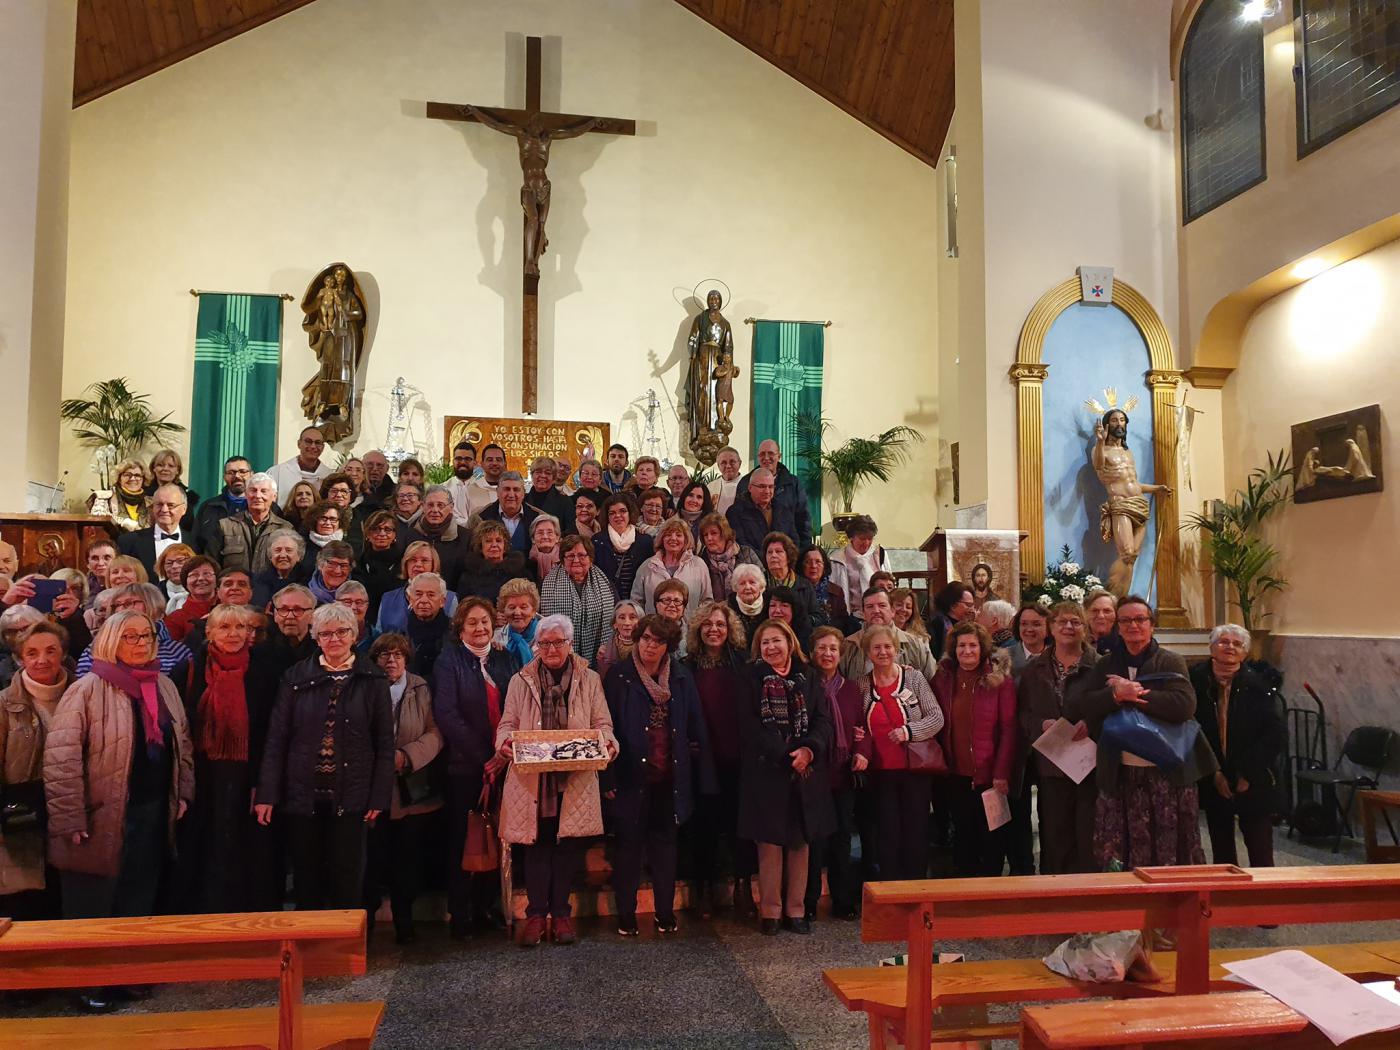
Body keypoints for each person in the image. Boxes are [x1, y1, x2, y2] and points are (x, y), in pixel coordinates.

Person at [44, 611, 194, 1011]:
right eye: (131, 636)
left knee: (137, 896)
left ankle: (128, 974)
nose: (142, 643)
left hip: (151, 809)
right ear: (111, 640)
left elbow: (182, 743)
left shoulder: (162, 684)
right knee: (92, 903)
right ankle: (87, 982)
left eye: (147, 636)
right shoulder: (87, 688)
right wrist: (69, 816)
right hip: (99, 814)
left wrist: (182, 791)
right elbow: (61, 759)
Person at [255, 602, 394, 910]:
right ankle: (310, 940)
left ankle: (347, 940)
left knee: (348, 879)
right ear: (316, 638)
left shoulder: (373, 679)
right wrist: (267, 794)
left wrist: (378, 797)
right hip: (303, 794)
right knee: (307, 879)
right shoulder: (295, 677)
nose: (334, 639)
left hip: (353, 793)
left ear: (354, 635)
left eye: (342, 632)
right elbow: (277, 739)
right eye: (326, 633)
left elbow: (385, 744)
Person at [1063, 595, 1214, 870]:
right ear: (1118, 627)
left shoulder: (1171, 661)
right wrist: (1115, 695)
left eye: (1140, 619)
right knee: (1121, 845)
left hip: (1166, 771)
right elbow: (1085, 703)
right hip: (1120, 771)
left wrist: (1135, 693)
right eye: (1126, 620)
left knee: (1168, 842)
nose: (1133, 625)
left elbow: (1184, 706)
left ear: (1151, 625)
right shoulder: (1106, 664)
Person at [494, 614, 617, 947]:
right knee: (537, 846)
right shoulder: (521, 680)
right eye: (544, 643)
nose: (550, 649)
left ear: (570, 644)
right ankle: (536, 915)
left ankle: (561, 914)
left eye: (557, 642)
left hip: (573, 778)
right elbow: (507, 724)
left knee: (567, 848)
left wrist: (607, 743)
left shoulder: (590, 679)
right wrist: (504, 744)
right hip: (534, 780)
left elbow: (603, 723)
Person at [603, 614, 713, 936]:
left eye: (658, 641)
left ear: (669, 646)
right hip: (629, 776)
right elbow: (604, 727)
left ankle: (664, 912)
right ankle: (626, 914)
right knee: (628, 849)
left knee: (665, 849)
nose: (650, 646)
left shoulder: (681, 676)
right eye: (646, 638)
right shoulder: (619, 676)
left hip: (669, 777)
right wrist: (607, 777)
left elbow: (695, 723)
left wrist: (699, 772)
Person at [171, 604, 279, 913]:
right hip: (203, 774)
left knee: (245, 848)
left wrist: (262, 782)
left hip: (247, 774)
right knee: (204, 844)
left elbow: (270, 731)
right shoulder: (189, 670)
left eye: (241, 627)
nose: (234, 634)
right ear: (209, 632)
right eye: (225, 627)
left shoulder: (264, 672)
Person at [433, 597, 521, 939]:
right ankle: (461, 912)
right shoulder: (449, 660)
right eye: (472, 622)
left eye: (484, 621)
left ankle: (488, 906)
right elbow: (447, 714)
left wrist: (502, 754)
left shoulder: (505, 658)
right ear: (460, 628)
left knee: (498, 837)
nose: (480, 628)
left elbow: (517, 705)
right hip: (466, 766)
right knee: (465, 838)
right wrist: (486, 755)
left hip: (505, 762)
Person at [739, 620, 832, 934]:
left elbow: (822, 721)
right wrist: (785, 755)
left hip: (805, 771)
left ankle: (796, 910)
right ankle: (771, 912)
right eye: (765, 642)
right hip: (767, 771)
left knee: (799, 843)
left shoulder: (809, 676)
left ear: (790, 643)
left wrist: (808, 750)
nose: (771, 647)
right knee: (769, 845)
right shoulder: (750, 678)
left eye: (776, 640)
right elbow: (749, 726)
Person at [364, 632, 442, 944]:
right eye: (385, 655)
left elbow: (435, 732)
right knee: (371, 861)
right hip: (373, 789)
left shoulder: (421, 687)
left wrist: (406, 757)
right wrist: (381, 759)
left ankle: (405, 922)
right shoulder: (364, 687)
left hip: (412, 787)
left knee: (407, 861)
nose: (391, 660)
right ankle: (366, 923)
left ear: (406, 659)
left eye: (398, 655)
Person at [857, 623, 944, 882]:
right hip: (880, 773)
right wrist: (856, 734)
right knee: (886, 832)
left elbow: (936, 718)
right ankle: (890, 887)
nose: (882, 652)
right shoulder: (862, 685)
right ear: (868, 653)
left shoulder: (914, 678)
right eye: (876, 648)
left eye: (888, 647)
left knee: (916, 831)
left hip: (914, 770)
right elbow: (857, 722)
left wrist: (908, 731)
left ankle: (916, 886)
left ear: (896, 650)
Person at [1192, 624, 1285, 867]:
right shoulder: (1195, 682)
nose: (1230, 647)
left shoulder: (1259, 686)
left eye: (1237, 644)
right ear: (1212, 647)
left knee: (1260, 849)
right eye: (1223, 642)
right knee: (1222, 850)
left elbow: (1275, 734)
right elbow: (1190, 730)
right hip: (1213, 774)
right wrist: (1213, 773)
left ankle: (1265, 890)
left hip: (1253, 777)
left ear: (1244, 652)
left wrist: (1247, 773)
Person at [684, 601, 755, 918]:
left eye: (721, 624)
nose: (714, 629)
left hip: (737, 757)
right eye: (708, 624)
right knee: (704, 827)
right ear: (699, 629)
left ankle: (743, 887)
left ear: (730, 630)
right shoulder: (687, 666)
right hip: (702, 759)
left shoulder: (743, 663)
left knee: (741, 827)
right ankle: (703, 891)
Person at [1018, 601, 1099, 874]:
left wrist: (1091, 722)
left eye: (1075, 622)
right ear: (1051, 628)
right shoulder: (1034, 669)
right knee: (1055, 834)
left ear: (1084, 628)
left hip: (1089, 764)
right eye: (1062, 621)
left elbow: (1111, 708)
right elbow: (1022, 714)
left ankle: (1089, 889)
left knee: (1088, 833)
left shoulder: (1099, 666)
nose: (1068, 627)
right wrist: (1041, 724)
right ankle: (1056, 886)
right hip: (1051, 763)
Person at [931, 621, 1017, 877]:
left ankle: (991, 890)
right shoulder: (943, 678)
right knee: (963, 836)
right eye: (961, 646)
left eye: (973, 645)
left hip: (989, 776)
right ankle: (965, 889)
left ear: (982, 648)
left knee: (992, 838)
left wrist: (1001, 773)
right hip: (955, 773)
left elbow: (1009, 729)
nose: (967, 651)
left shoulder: (999, 681)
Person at [0, 622, 72, 921]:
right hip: (22, 817)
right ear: (20, 659)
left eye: (51, 651)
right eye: (32, 653)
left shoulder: (82, 695)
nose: (42, 660)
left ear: (63, 654)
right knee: (27, 906)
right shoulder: (5, 703)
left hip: (70, 814)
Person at [806, 625, 867, 919]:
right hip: (813, 775)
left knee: (842, 839)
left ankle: (842, 901)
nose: (827, 653)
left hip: (843, 775)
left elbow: (861, 728)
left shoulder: (851, 689)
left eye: (833, 648)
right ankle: (809, 901)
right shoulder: (805, 685)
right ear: (811, 653)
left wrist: (862, 752)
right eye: (822, 648)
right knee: (814, 842)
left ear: (840, 654)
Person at [76, 583, 194, 676]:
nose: (120, 609)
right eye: (116, 605)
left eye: (129, 603)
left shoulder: (176, 651)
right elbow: (85, 687)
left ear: (153, 606)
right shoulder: (97, 648)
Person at [539, 535, 616, 664]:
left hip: (598, 655)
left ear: (590, 558)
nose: (576, 560)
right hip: (559, 655)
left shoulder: (605, 584)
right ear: (563, 560)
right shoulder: (547, 584)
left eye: (581, 555)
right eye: (570, 556)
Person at [840, 588, 938, 684]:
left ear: (892, 611)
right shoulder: (848, 645)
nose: (876, 610)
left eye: (882, 605)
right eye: (870, 606)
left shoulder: (915, 644)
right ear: (863, 613)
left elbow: (933, 681)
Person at [209, 473, 293, 575]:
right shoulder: (225, 526)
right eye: (253, 490)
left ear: (274, 496)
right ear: (246, 494)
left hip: (271, 585)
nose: (258, 496)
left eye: (264, 491)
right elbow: (212, 565)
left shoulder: (286, 529)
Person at [631, 518, 712, 620]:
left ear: (686, 539)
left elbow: (707, 601)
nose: (673, 538)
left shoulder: (699, 565)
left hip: (689, 628)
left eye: (678, 535)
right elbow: (636, 603)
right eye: (668, 535)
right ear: (662, 539)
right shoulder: (647, 566)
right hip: (654, 628)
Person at [735, 441, 812, 548]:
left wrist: (803, 551)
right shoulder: (745, 482)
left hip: (785, 551)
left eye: (771, 453)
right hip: (753, 551)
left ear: (779, 456)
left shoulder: (793, 483)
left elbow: (803, 520)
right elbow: (738, 515)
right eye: (762, 454)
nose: (766, 458)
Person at [377, 541, 459, 635]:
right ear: (406, 564)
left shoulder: (450, 599)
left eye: (424, 560)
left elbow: (455, 636)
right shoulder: (388, 598)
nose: (418, 564)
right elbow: (378, 637)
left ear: (433, 565)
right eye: (413, 560)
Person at [118, 483, 190, 581]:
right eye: (159, 504)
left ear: (184, 509)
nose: (164, 510)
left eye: (170, 505)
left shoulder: (196, 543)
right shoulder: (129, 542)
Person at [594, 494, 656, 605]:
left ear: (630, 513)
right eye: (612, 513)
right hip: (607, 602)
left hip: (638, 603)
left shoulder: (645, 541)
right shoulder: (597, 541)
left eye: (622, 511)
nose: (618, 516)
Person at [410, 486, 473, 592]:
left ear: (451, 507)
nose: (435, 510)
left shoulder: (466, 537)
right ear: (423, 506)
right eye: (430, 505)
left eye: (440, 505)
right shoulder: (411, 534)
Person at [727, 467, 803, 552]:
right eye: (762, 486)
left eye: (770, 487)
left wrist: (783, 557)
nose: (767, 491)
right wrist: (767, 558)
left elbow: (794, 541)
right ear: (750, 487)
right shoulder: (735, 512)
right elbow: (741, 544)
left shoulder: (783, 509)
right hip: (751, 560)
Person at [827, 516, 889, 618]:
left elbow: (889, 584)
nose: (866, 543)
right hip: (852, 617)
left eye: (870, 538)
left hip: (878, 614)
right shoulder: (837, 559)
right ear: (851, 537)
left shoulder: (879, 555)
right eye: (862, 538)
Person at [457, 521, 531, 603]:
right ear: (480, 546)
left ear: (505, 546)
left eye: (498, 541)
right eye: (488, 541)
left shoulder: (521, 573)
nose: (494, 545)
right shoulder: (468, 577)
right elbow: (465, 606)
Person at [193, 456, 252, 554]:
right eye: (231, 472)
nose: (237, 476)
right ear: (224, 477)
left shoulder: (266, 507)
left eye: (242, 472)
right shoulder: (208, 507)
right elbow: (196, 543)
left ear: (251, 474)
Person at [696, 513, 760, 602]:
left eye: (714, 533)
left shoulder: (746, 553)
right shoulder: (702, 561)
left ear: (724, 533)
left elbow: (762, 583)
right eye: (705, 535)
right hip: (715, 609)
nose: (709, 538)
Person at [354, 510, 404, 619]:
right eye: (375, 529)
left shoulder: (403, 563)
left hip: (394, 619)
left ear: (394, 535)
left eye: (387, 529)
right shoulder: (358, 563)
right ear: (367, 534)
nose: (382, 533)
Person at [266, 426, 333, 503]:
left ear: (323, 447)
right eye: (308, 441)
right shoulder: (277, 473)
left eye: (318, 442)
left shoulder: (329, 476)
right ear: (299, 444)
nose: (313, 446)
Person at [761, 532, 817, 623]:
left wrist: (798, 621)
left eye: (778, 551)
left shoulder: (805, 585)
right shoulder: (759, 583)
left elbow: (817, 616)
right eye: (769, 552)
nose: (773, 555)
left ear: (789, 557)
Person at [478, 472, 538, 554]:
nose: (511, 495)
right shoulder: (481, 518)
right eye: (506, 489)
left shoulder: (537, 518)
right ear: (497, 492)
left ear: (523, 493)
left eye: (516, 490)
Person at [164, 557, 218, 642]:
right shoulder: (175, 619)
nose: (201, 578)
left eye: (207, 574)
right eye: (194, 575)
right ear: (185, 582)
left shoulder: (231, 609)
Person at [252, 528, 308, 608]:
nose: (282, 555)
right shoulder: (258, 582)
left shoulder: (308, 582)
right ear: (270, 555)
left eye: (289, 550)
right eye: (277, 550)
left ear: (299, 555)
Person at [146, 449, 198, 535]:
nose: (165, 469)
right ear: (153, 469)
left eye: (171, 466)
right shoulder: (143, 495)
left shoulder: (186, 498)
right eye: (160, 465)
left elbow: (188, 527)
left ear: (177, 470)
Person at [802, 545, 852, 633]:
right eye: (808, 562)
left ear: (824, 566)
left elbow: (843, 621)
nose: (813, 566)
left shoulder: (836, 590)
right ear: (802, 566)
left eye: (818, 562)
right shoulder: (796, 589)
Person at [495, 578, 541, 667]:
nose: (517, 613)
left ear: (533, 611)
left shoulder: (549, 634)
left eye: (523, 607)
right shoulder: (495, 639)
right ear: (503, 610)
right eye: (512, 607)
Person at [926, 579, 974, 661]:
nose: (972, 609)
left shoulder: (969, 626)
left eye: (972, 605)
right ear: (953, 605)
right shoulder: (937, 626)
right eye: (968, 605)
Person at [525, 457, 575, 535]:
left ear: (554, 478)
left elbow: (571, 532)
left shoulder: (565, 502)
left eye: (548, 473)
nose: (543, 476)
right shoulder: (523, 499)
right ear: (532, 475)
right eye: (538, 472)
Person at [594, 600, 642, 678]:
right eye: (622, 618)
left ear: (641, 622)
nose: (627, 623)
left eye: (632, 617)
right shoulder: (605, 652)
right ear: (615, 624)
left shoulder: (647, 648)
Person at [105, 459, 153, 532]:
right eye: (127, 475)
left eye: (137, 475)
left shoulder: (151, 503)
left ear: (143, 479)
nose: (133, 478)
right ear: (119, 478)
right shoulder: (105, 499)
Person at [319, 472, 363, 552]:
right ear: (326, 494)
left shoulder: (360, 518)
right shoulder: (315, 516)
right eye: (334, 491)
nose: (339, 495)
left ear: (351, 495)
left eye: (344, 491)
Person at [299, 501, 346, 574]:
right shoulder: (302, 544)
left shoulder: (346, 546)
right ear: (314, 521)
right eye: (323, 518)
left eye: (333, 519)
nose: (328, 523)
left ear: (339, 522)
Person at [727, 563, 769, 640]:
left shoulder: (770, 605)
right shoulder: (728, 608)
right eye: (742, 583)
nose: (747, 587)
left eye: (752, 582)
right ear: (736, 587)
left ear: (761, 585)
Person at [307, 541, 355, 606]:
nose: (337, 571)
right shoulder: (305, 593)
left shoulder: (357, 594)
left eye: (343, 565)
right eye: (332, 564)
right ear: (320, 564)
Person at [1007, 602, 1049, 677]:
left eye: (1036, 624)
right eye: (1024, 624)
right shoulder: (1004, 657)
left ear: (1049, 628)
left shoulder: (1058, 657)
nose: (1029, 629)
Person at [336, 581, 376, 653]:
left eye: (359, 602)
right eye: (347, 602)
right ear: (336, 604)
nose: (353, 607)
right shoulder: (326, 636)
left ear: (367, 606)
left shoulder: (377, 638)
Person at [445, 441, 479, 526]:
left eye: (467, 459)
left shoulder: (482, 488)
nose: (463, 462)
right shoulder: (443, 488)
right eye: (458, 458)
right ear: (453, 461)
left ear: (475, 463)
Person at [527, 514, 562, 582]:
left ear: (557, 538)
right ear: (533, 539)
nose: (545, 537)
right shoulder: (525, 564)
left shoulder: (566, 560)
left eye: (550, 532)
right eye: (540, 533)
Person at [708, 447, 742, 516]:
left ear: (740, 463)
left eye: (732, 461)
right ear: (718, 466)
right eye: (723, 463)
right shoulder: (710, 487)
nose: (728, 466)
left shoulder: (749, 485)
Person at [1085, 589, 1119, 655]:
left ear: (1116, 614)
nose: (1101, 616)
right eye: (1095, 610)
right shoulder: (1076, 640)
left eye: (1107, 611)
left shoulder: (1125, 643)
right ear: (1085, 613)